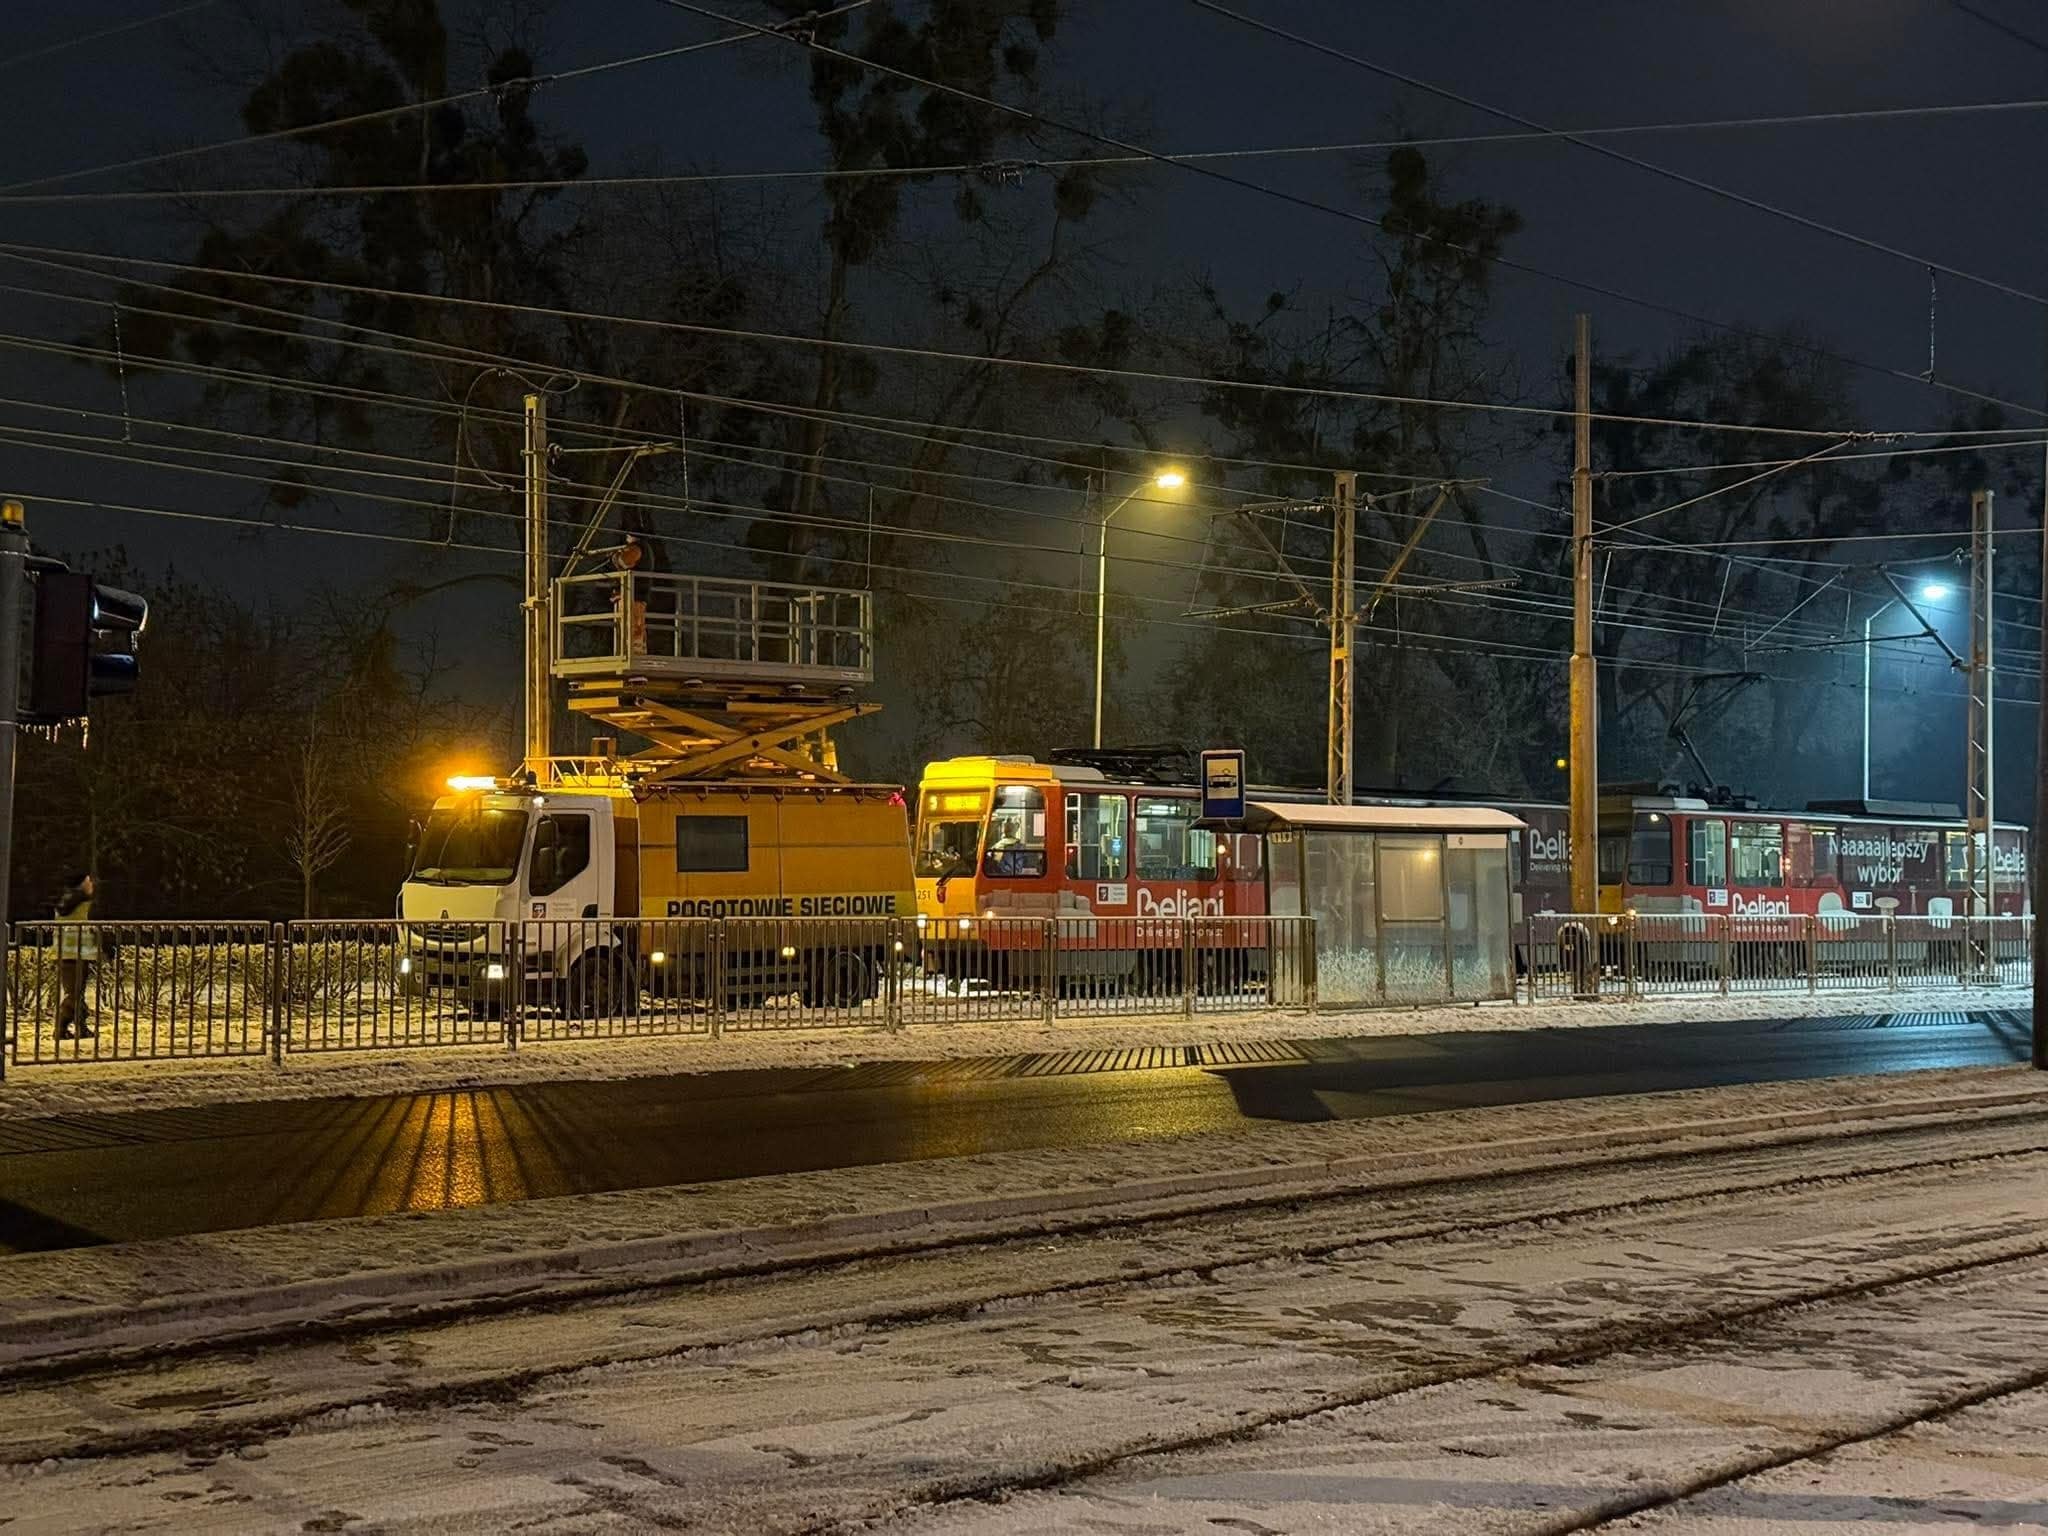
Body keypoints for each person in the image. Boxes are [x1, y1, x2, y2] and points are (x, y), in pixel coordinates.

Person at [52, 872, 98, 1041]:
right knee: (74, 994)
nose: (91, 884)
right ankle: (60, 1028)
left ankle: (80, 1028)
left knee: (76, 993)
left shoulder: (65, 902)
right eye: (88, 881)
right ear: (81, 884)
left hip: (68, 952)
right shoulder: (83, 902)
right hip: (77, 952)